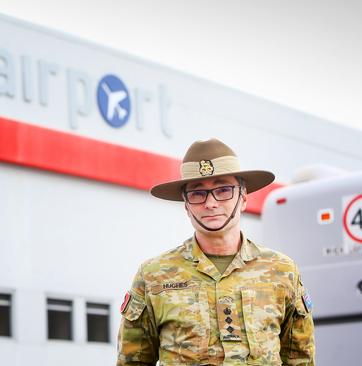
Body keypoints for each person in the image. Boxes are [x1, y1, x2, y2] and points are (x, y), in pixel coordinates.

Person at [116, 138, 315, 365]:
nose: (210, 203)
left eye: (223, 190)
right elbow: (133, 362)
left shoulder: (281, 271)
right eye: (198, 193)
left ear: (243, 198)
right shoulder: (153, 276)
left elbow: (300, 359)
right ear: (186, 206)